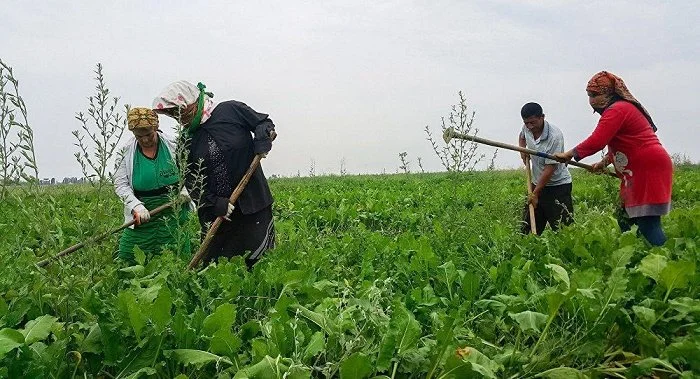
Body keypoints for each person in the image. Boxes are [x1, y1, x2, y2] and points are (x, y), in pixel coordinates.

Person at [152, 81, 276, 267]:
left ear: (192, 101)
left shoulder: (231, 110)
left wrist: (262, 141)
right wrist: (214, 202)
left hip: (253, 202)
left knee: (259, 263)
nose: (179, 118)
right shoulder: (186, 140)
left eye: (181, 111)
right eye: (174, 115)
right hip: (218, 213)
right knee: (219, 268)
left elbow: (262, 123)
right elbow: (191, 179)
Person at [554, 71, 673, 246]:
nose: (591, 100)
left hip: (647, 168)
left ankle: (667, 258)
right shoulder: (619, 110)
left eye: (595, 95)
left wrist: (569, 154)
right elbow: (621, 144)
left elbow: (598, 140)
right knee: (625, 219)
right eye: (589, 95)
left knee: (648, 222)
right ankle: (639, 255)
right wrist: (603, 163)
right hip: (639, 169)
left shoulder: (617, 110)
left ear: (609, 93)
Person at [114, 108, 191, 264]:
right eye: (139, 136)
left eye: (148, 134)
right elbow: (121, 184)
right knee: (127, 256)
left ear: (156, 127)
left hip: (174, 208)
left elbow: (190, 170)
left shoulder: (175, 145)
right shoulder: (125, 152)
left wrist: (185, 190)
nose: (145, 140)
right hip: (144, 213)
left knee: (176, 254)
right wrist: (136, 206)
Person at [518, 102, 573, 235]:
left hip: (557, 186)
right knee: (528, 228)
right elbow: (522, 137)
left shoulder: (555, 136)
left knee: (564, 230)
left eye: (533, 122)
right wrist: (522, 151)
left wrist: (535, 193)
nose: (530, 126)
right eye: (527, 123)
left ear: (542, 117)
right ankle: (529, 251)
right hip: (536, 183)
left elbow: (550, 169)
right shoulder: (527, 128)